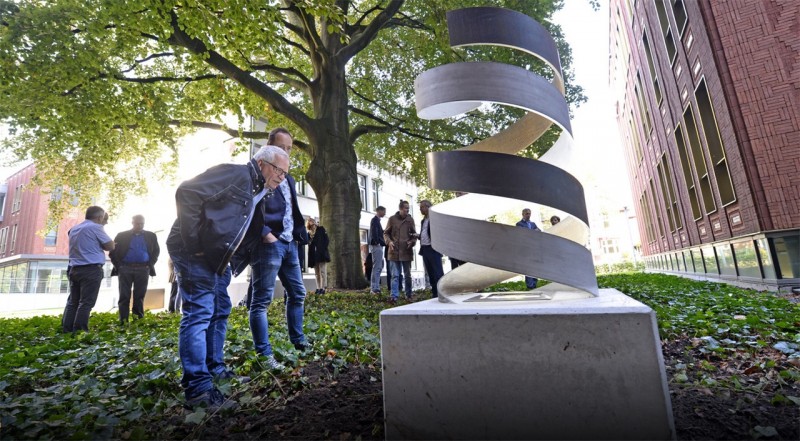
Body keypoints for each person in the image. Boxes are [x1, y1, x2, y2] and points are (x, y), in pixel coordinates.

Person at [166, 144, 289, 411]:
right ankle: (198, 389)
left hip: (216, 257)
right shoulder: (235, 174)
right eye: (279, 170)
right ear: (261, 164)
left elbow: (243, 226)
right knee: (199, 312)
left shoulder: (259, 192)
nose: (282, 177)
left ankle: (216, 370)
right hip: (193, 250)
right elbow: (187, 192)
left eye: (285, 174)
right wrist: (194, 242)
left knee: (221, 308)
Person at [248, 128, 310, 373]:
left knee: (298, 293)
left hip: (289, 244)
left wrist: (297, 232)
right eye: (281, 147)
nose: (286, 152)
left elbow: (291, 207)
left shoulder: (290, 178)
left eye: (289, 148)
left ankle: (299, 341)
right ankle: (264, 354)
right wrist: (266, 233)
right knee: (261, 301)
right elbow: (248, 207)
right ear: (269, 146)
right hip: (269, 244)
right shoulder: (256, 172)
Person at [61, 206, 115, 333]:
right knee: (86, 302)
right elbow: (110, 246)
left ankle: (67, 330)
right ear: (99, 217)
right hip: (91, 269)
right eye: (102, 218)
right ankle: (80, 331)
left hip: (75, 268)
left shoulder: (74, 229)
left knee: (73, 302)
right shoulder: (96, 227)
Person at [110, 215, 160, 324]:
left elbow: (156, 251)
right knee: (124, 296)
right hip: (125, 268)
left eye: (142, 223)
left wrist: (149, 265)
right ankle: (123, 320)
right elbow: (112, 252)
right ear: (132, 222)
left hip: (143, 268)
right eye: (137, 223)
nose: (140, 225)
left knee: (140, 296)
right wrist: (119, 266)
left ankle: (138, 320)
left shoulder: (151, 236)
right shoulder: (122, 235)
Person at [384, 200, 417, 303]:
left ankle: (409, 295)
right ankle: (394, 296)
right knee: (395, 275)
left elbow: (414, 235)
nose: (407, 210)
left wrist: (412, 242)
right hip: (394, 251)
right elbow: (386, 233)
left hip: (406, 251)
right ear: (401, 209)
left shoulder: (410, 220)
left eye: (408, 208)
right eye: (406, 208)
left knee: (407, 275)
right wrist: (389, 242)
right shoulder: (392, 219)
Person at [418, 200, 444, 298]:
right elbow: (424, 233)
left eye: (422, 207)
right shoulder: (423, 221)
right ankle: (434, 294)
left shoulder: (435, 219)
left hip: (434, 248)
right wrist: (418, 236)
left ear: (428, 207)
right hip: (425, 249)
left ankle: (441, 293)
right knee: (430, 273)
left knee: (437, 272)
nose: (420, 209)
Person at [516, 208, 540, 290]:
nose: (528, 215)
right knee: (528, 268)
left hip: (534, 248)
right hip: (525, 249)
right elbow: (523, 234)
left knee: (535, 266)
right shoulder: (519, 224)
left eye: (529, 213)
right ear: (523, 214)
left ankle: (535, 283)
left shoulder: (533, 224)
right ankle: (530, 286)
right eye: (526, 213)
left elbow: (539, 232)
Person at [306, 218, 330, 294]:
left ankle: (323, 288)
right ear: (308, 224)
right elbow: (308, 243)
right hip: (314, 255)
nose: (312, 223)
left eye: (313, 221)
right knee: (317, 273)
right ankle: (318, 288)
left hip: (321, 254)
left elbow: (326, 240)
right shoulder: (309, 233)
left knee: (323, 272)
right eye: (310, 222)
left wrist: (322, 249)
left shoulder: (321, 229)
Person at [368, 206, 386, 295]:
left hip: (377, 245)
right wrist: (377, 242)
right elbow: (374, 232)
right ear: (379, 211)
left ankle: (375, 287)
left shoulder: (376, 220)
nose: (385, 213)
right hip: (376, 245)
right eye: (384, 211)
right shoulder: (375, 220)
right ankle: (374, 288)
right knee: (377, 266)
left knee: (379, 266)